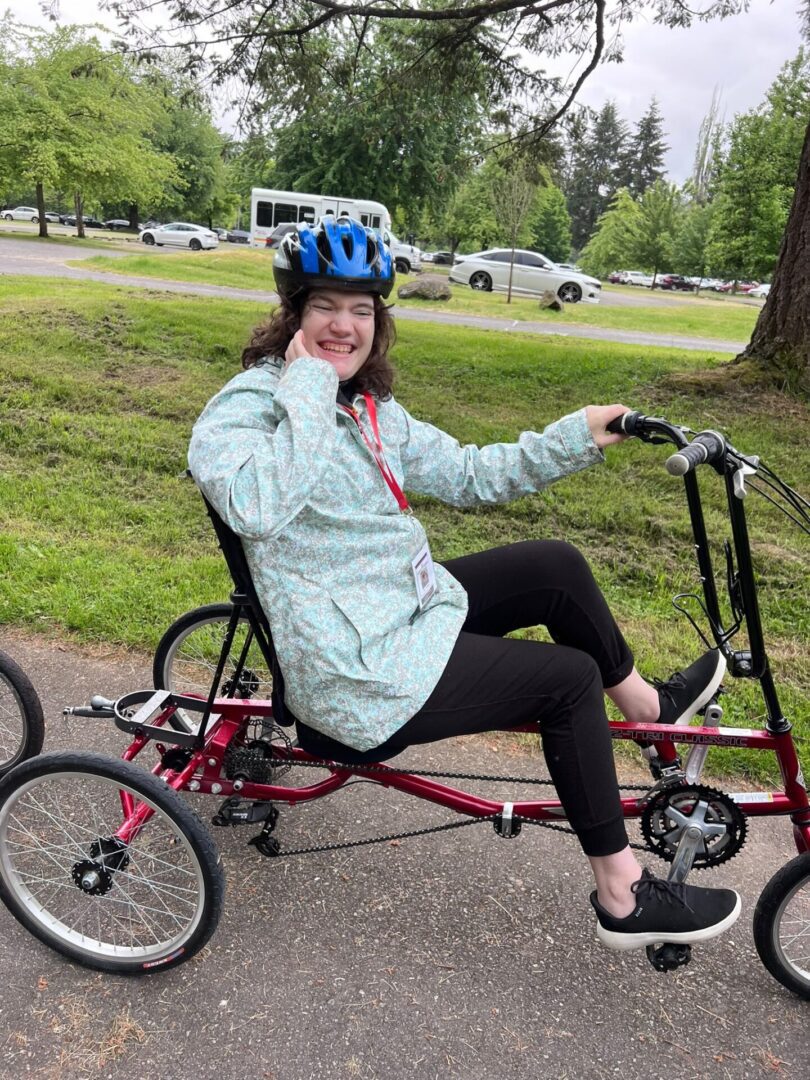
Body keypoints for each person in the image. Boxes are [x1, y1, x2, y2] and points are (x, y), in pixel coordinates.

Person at [189, 215, 740, 952]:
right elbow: (258, 507)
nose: (344, 326)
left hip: (403, 611)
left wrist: (577, 434)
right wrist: (310, 386)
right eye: (325, 306)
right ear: (293, 314)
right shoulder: (243, 412)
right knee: (567, 681)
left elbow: (473, 474)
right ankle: (623, 895)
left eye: (362, 309)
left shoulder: (369, 409)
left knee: (554, 566)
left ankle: (649, 705)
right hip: (358, 671)